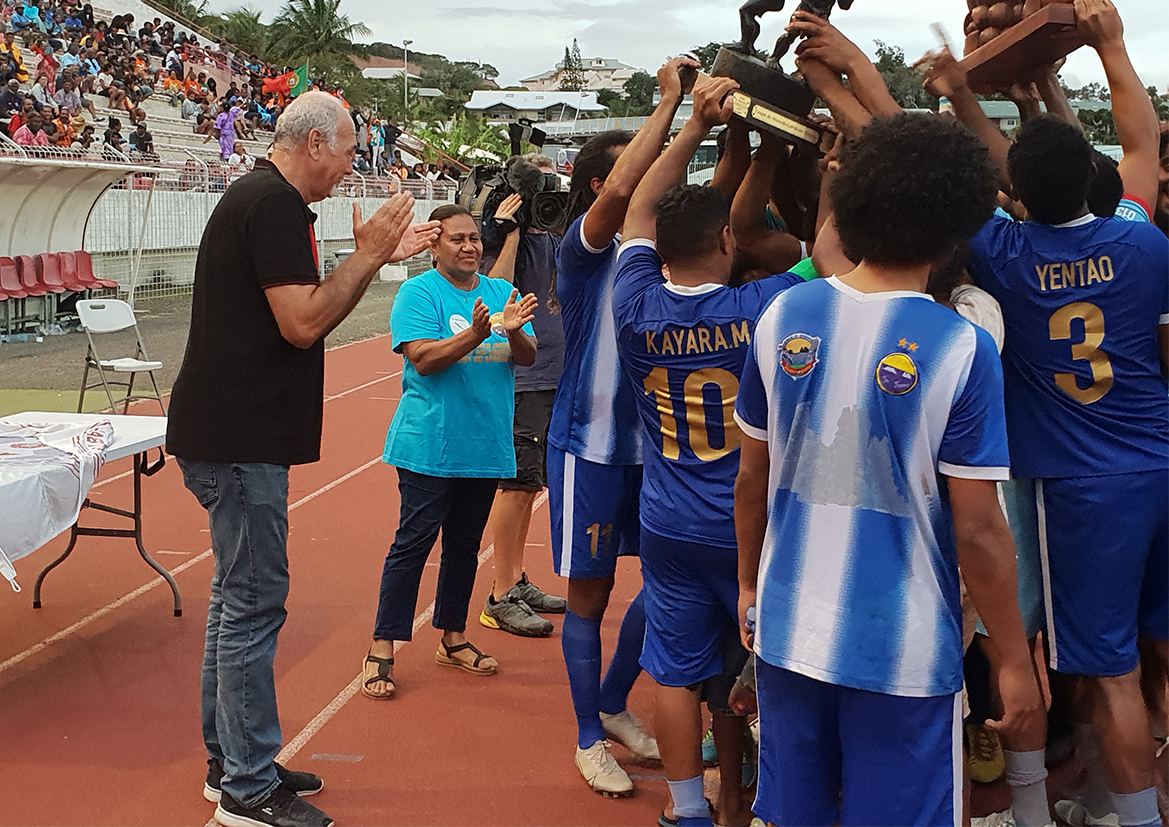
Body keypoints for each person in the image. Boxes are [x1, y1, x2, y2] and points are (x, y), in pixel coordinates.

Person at [734, 112, 1045, 826]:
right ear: (956, 225)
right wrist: (1011, 660)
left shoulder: (782, 314)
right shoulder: (961, 347)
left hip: (785, 628)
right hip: (902, 649)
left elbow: (750, 478)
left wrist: (749, 581)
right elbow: (980, 531)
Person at [922, 3, 1168, 824]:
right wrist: (1112, 45)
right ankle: (1103, 801)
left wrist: (958, 96)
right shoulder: (1141, 239)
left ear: (1015, 194)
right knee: (1141, 654)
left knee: (1107, 671)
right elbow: (1140, 145)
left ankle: (1127, 818)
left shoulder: (1007, 252)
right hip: (1153, 461)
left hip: (1077, 485)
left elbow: (979, 176)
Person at [167, 91, 439, 827]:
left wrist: (379, 254)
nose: (352, 164)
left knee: (235, 602)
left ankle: (233, 760)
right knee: (252, 602)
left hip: (229, 432)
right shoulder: (274, 204)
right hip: (238, 437)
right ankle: (248, 788)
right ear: (315, 142)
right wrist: (371, 256)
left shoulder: (261, 199)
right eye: (350, 150)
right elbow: (305, 321)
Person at [613, 75, 810, 827]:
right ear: (728, 240)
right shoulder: (764, 307)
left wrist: (694, 125)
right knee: (767, 662)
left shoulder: (633, 307)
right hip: (751, 527)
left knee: (671, 667)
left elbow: (637, 207)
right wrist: (781, 146)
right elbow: (827, 249)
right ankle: (766, 800)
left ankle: (689, 807)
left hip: (667, 520)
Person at [550, 56, 697, 797]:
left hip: (661, 449)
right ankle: (585, 734)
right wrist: (672, 105)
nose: (650, 186)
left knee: (669, 581)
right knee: (589, 593)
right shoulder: (585, 250)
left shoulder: (669, 256)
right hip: (592, 447)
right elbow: (619, 189)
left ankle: (611, 698)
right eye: (637, 175)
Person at [362, 205, 538, 700]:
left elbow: (526, 356)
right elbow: (424, 358)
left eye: (475, 239)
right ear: (435, 245)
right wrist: (477, 334)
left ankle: (453, 636)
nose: (469, 247)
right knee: (413, 544)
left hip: (485, 446)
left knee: (464, 546)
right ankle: (382, 646)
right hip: (430, 447)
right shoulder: (418, 293)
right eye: (457, 239)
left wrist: (515, 329)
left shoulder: (500, 293)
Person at [477, 155, 568, 638]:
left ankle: (516, 577)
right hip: (525, 379)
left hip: (556, 373)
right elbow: (497, 295)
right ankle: (500, 592)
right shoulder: (497, 242)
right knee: (516, 487)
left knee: (532, 485)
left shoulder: (557, 236)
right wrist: (510, 232)